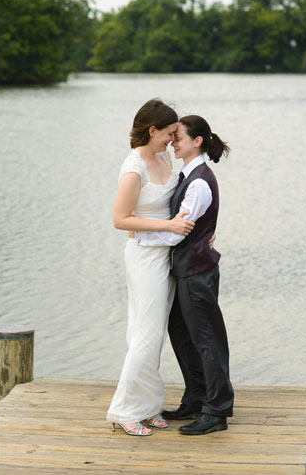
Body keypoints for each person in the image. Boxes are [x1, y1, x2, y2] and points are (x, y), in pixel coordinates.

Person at [137, 115, 234, 435]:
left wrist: (139, 237)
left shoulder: (200, 181)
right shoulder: (187, 175)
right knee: (182, 335)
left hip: (197, 272)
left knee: (207, 340)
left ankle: (216, 410)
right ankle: (196, 397)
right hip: (185, 270)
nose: (173, 142)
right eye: (172, 136)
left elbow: (178, 232)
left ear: (197, 141)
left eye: (178, 137)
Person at [106, 99, 195, 436]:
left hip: (165, 253)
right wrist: (166, 227)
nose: (173, 140)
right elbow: (119, 219)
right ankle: (125, 410)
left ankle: (148, 405)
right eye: (169, 133)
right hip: (145, 258)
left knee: (151, 334)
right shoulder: (134, 168)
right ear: (152, 129)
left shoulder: (163, 157)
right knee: (145, 334)